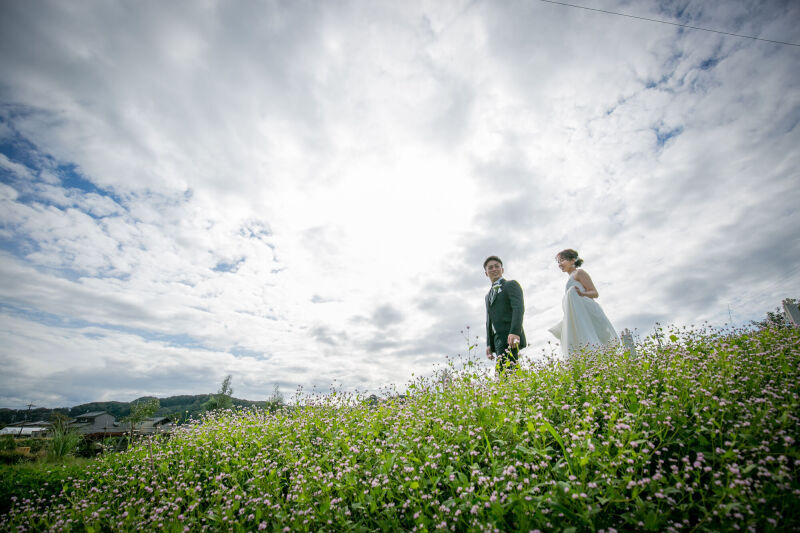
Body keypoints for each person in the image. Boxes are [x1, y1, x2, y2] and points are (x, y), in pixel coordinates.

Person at [548, 249, 618, 358]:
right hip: (580, 313)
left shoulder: (579, 273)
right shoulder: (569, 279)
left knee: (598, 339)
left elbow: (594, 293)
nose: (560, 264)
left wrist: (581, 293)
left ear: (572, 260)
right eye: (558, 262)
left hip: (588, 311)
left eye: (562, 260)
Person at [484, 256, 527, 374]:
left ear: (502, 270)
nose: (494, 269)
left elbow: (518, 308)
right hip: (497, 340)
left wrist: (515, 332)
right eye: (490, 268)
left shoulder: (511, 285)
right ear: (486, 273)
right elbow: (489, 320)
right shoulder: (487, 296)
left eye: (497, 266)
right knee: (504, 374)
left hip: (510, 337)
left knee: (507, 374)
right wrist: (489, 344)